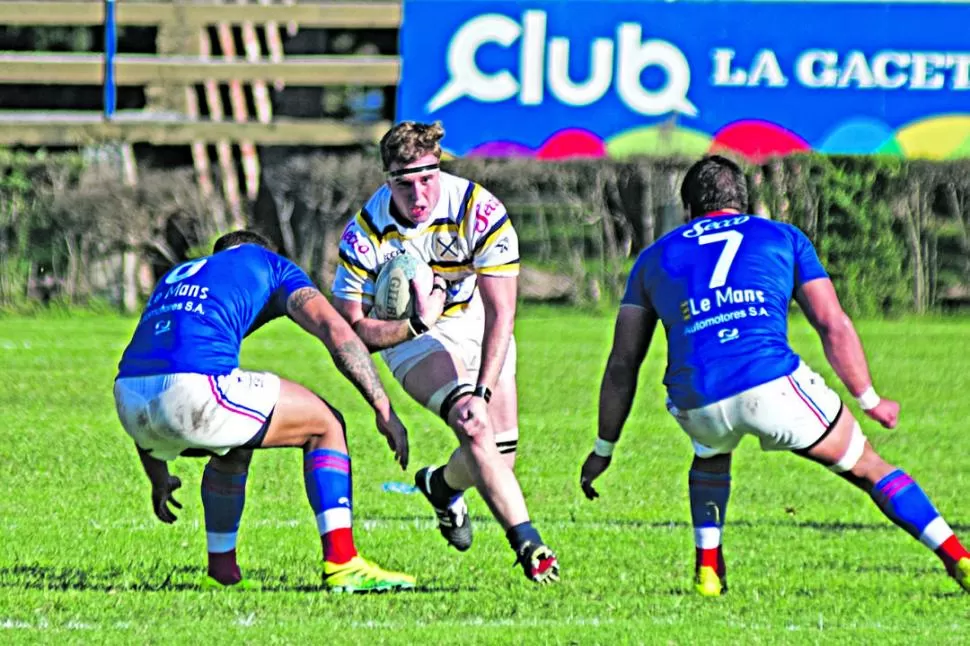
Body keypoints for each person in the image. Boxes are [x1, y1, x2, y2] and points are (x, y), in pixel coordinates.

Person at [580, 155, 970, 596]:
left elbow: (622, 363)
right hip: (769, 382)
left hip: (698, 398)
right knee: (867, 466)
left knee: (709, 454)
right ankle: (958, 556)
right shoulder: (782, 236)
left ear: (689, 209)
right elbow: (831, 323)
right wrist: (869, 399)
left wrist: (604, 448)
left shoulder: (653, 258)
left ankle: (709, 569)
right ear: (743, 202)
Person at [113, 230, 416, 593]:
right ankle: (343, 563)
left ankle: (222, 570)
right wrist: (382, 406)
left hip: (128, 400)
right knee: (326, 424)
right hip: (195, 390)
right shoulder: (269, 264)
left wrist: (158, 476)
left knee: (238, 441)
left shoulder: (180, 275)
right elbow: (336, 330)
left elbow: (153, 366)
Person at [331, 121, 559, 584]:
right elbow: (350, 331)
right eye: (404, 183)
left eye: (427, 179)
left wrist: (485, 388)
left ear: (440, 168)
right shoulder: (366, 234)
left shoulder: (478, 210)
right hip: (409, 336)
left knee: (498, 457)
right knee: (472, 425)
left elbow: (501, 313)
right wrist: (416, 322)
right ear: (386, 178)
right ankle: (528, 542)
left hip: (477, 322)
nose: (418, 194)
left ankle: (440, 486)